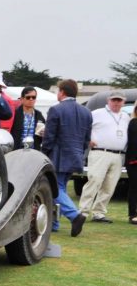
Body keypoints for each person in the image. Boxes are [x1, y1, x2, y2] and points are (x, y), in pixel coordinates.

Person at [42, 79, 91, 236]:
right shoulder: (86, 112)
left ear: (62, 92)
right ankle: (54, 224)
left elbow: (49, 137)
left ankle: (75, 216)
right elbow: (86, 139)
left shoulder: (56, 110)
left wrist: (44, 153)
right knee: (58, 188)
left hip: (58, 156)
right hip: (76, 156)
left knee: (56, 190)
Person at [78, 91, 129, 223]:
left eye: (119, 100)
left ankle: (99, 213)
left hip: (118, 155)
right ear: (108, 100)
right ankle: (83, 211)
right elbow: (83, 128)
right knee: (94, 181)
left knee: (109, 186)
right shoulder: (97, 113)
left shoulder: (125, 116)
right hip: (100, 152)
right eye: (114, 100)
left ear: (123, 102)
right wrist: (88, 139)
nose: (116, 103)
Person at [127, 109, 137, 224]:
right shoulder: (134, 123)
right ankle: (133, 214)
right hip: (134, 161)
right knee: (134, 187)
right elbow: (134, 142)